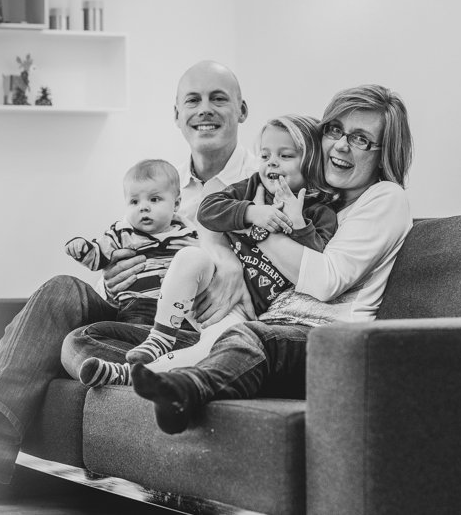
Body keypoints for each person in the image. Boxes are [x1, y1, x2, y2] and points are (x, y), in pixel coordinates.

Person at [62, 84, 414, 435]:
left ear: (384, 152)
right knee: (87, 337)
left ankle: (181, 386)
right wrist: (237, 233)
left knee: (243, 337)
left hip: (314, 337)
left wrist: (255, 226)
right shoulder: (310, 197)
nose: (341, 145)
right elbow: (212, 213)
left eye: (361, 139)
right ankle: (148, 369)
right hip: (257, 323)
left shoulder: (384, 197)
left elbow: (325, 281)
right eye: (335, 130)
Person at [0, 60, 256, 486]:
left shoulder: (264, 184)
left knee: (74, 344)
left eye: (219, 98)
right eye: (193, 100)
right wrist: (111, 280)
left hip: (191, 328)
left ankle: (157, 368)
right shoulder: (160, 186)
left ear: (242, 110)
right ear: (177, 114)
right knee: (60, 290)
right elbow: (116, 254)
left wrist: (229, 265)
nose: (205, 109)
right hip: (131, 313)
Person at [78, 115, 338, 387]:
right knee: (190, 256)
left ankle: (130, 375)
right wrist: (252, 212)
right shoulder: (253, 187)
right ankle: (160, 337)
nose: (271, 162)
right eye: (264, 155)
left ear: (311, 163)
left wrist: (297, 223)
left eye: (285, 156)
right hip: (207, 284)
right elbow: (209, 209)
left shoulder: (321, 213)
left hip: (242, 311)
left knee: (213, 348)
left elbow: (313, 265)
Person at [65, 159, 198, 326]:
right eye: (134, 202)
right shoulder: (122, 233)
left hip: (181, 308)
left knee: (189, 325)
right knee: (135, 327)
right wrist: (83, 248)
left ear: (176, 204)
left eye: (154, 199)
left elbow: (205, 268)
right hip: (138, 304)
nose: (143, 207)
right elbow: (98, 256)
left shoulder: (188, 233)